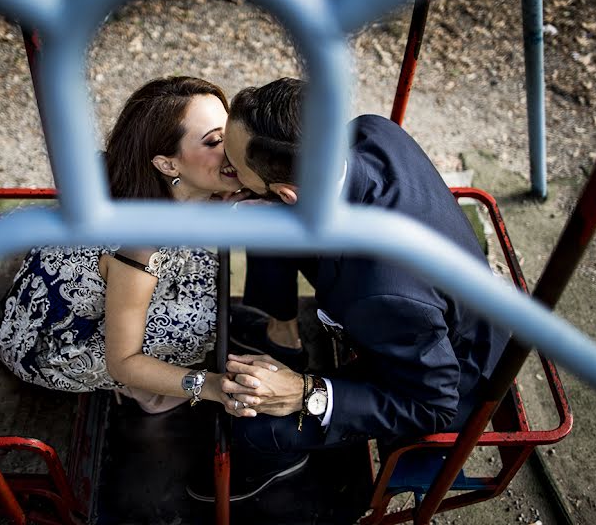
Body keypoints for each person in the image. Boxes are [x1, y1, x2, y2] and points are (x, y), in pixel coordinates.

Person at [189, 77, 510, 501]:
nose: (226, 172)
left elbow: (433, 404)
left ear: (288, 193)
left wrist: (305, 392)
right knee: (262, 224)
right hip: (396, 296)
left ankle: (277, 460)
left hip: (436, 369)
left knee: (252, 425)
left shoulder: (381, 291)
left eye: (234, 167)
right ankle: (283, 335)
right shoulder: (371, 132)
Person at [0, 76, 249, 414]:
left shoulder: (141, 182)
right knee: (198, 326)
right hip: (52, 346)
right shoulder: (142, 246)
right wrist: (209, 384)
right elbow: (123, 361)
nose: (233, 150)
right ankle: (145, 394)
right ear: (167, 164)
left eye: (230, 134)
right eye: (214, 142)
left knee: (203, 274)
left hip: (56, 301)